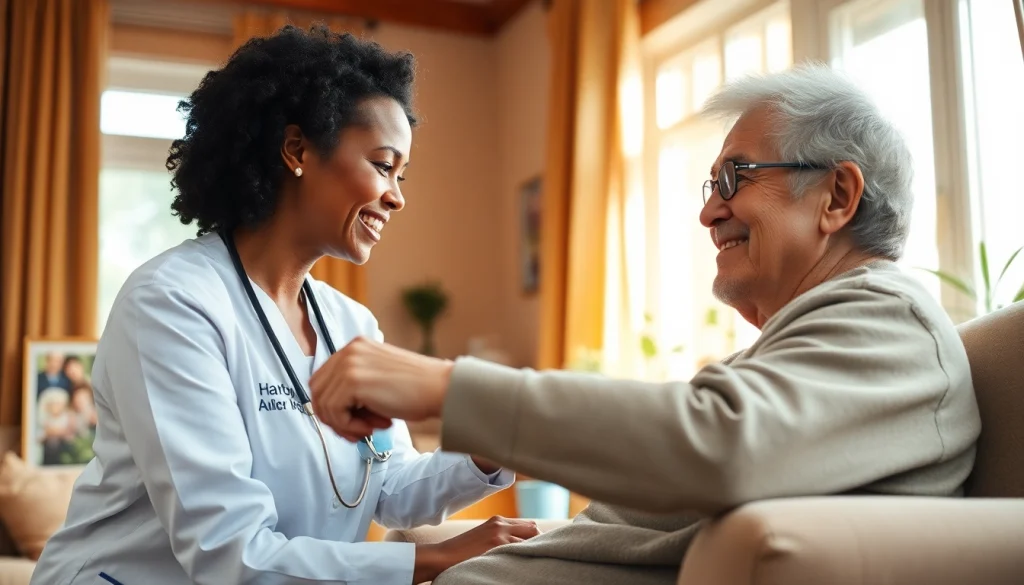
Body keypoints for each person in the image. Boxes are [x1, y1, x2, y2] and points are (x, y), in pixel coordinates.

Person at [308, 64, 982, 585]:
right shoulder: (814, 340)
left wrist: (447, 389)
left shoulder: (891, 317)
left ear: (837, 195)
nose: (709, 213)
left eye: (736, 177)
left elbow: (715, 443)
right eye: (711, 185)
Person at [30, 25, 538, 585]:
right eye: (382, 164)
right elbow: (232, 553)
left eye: (401, 174)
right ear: (297, 150)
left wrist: (488, 453)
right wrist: (433, 559)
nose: (398, 195)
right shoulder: (172, 303)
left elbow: (387, 485)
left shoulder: (351, 324)